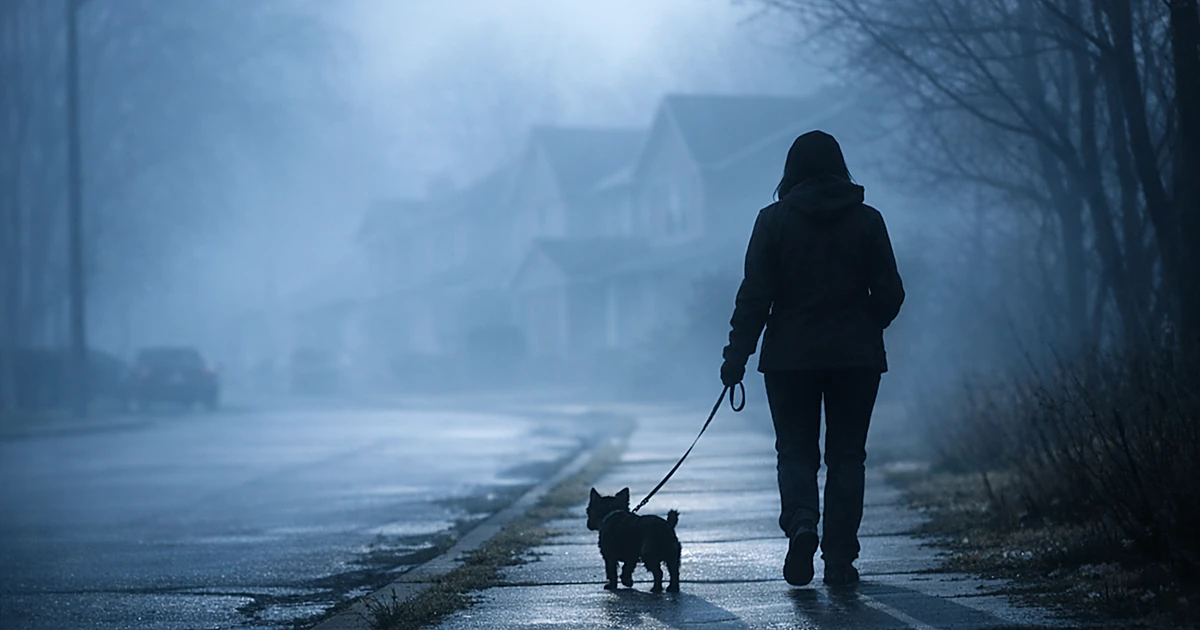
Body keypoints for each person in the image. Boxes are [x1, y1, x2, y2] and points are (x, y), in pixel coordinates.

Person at [720, 130, 904, 587]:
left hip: (789, 359)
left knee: (796, 451)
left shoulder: (772, 221)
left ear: (791, 170)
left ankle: (802, 523)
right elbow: (891, 293)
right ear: (839, 165)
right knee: (847, 456)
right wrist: (866, 322)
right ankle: (839, 558)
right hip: (855, 359)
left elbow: (754, 297)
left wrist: (736, 356)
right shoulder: (868, 221)